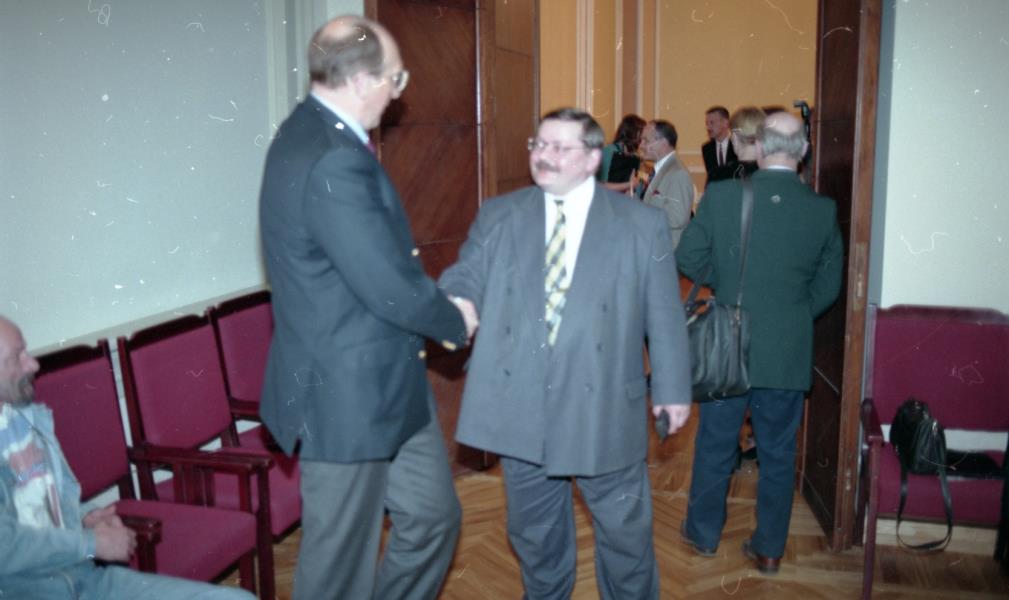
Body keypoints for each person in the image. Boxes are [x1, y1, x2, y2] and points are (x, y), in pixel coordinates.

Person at [257, 15, 478, 600]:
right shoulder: (330, 153)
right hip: (346, 397)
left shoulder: (313, 133)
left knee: (432, 518)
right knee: (338, 571)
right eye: (394, 78)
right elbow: (387, 284)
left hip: (388, 384)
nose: (397, 93)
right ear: (360, 81)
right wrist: (455, 320)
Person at [439, 108, 692, 599]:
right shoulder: (500, 214)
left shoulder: (640, 224)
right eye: (538, 144)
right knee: (535, 537)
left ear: (593, 158)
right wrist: (458, 300)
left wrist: (672, 388)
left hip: (603, 405)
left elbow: (663, 312)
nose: (544, 155)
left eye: (560, 147)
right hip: (523, 405)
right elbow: (467, 271)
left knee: (625, 538)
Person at [675, 112, 844, 574]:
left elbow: (688, 256)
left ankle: (704, 533)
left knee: (715, 443)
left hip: (728, 342)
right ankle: (769, 548)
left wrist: (729, 285)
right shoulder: (822, 210)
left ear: (761, 147)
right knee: (778, 452)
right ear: (804, 151)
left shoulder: (724, 195)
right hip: (786, 349)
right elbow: (829, 286)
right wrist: (793, 314)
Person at [0, 316, 254, 600]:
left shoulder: (28, 420)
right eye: (17, 357)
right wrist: (91, 543)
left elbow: (51, 506)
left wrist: (84, 516)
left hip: (85, 580)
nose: (33, 364)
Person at [640, 119, 695, 249]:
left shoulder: (678, 174)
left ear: (663, 143)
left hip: (667, 252)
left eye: (646, 140)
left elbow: (677, 218)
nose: (641, 145)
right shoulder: (661, 170)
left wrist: (640, 213)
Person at [595, 113, 645, 193]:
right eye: (641, 135)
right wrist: (628, 185)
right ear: (632, 133)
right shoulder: (608, 151)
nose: (643, 140)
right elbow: (601, 186)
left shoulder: (635, 156)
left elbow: (636, 189)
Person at [701, 106, 737, 187]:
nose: (708, 127)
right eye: (707, 124)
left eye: (712, 123)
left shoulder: (736, 146)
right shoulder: (706, 148)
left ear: (725, 123)